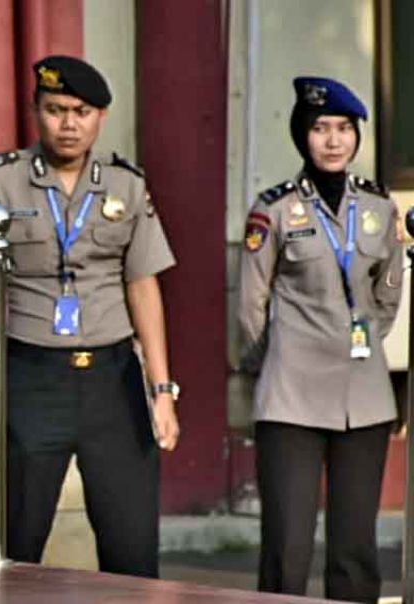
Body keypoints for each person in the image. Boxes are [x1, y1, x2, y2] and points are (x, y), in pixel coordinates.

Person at [0, 55, 179, 576]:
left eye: (81, 111)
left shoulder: (126, 186)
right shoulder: (1, 183)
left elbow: (143, 286)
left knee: (131, 544)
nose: (68, 123)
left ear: (100, 117)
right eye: (56, 109)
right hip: (32, 375)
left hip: (113, 378)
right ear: (36, 112)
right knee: (17, 543)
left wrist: (162, 390)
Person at [239, 77, 403, 604]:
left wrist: (354, 341)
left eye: (343, 129)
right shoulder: (275, 210)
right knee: (287, 544)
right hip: (292, 393)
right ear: (301, 136)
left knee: (355, 545)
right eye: (319, 129)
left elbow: (386, 297)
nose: (333, 140)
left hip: (364, 394)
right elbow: (251, 306)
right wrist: (278, 359)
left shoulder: (378, 208)